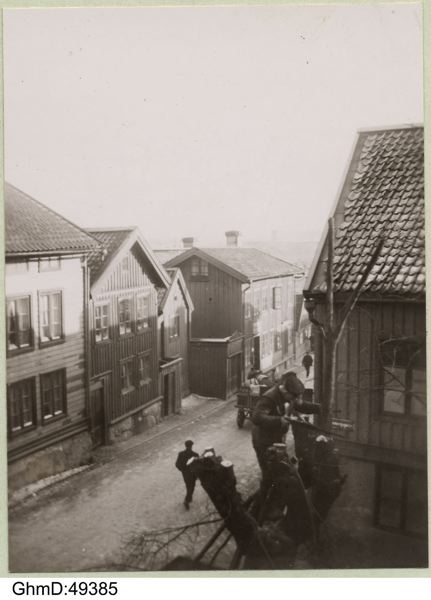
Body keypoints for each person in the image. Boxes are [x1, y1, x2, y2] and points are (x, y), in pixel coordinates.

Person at [251, 371, 319, 487]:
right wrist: (279, 420)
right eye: (294, 397)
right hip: (263, 441)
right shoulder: (269, 397)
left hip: (277, 439)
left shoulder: (289, 396)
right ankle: (264, 496)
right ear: (286, 391)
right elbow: (257, 417)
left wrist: (319, 408)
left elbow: (300, 405)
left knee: (282, 471)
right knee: (269, 476)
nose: (295, 400)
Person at [175, 440, 199, 510]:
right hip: (192, 475)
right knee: (190, 488)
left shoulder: (181, 454)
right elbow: (198, 466)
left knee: (190, 487)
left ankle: (189, 498)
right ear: (191, 446)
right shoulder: (195, 455)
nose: (190, 447)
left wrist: (183, 470)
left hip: (186, 475)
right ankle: (186, 501)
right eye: (190, 446)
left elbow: (177, 464)